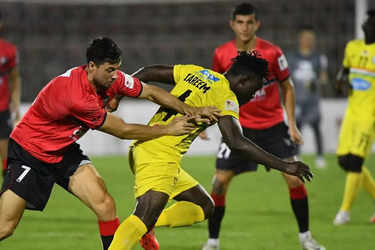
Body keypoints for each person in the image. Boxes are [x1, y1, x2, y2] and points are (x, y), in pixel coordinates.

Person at [0, 37, 221, 250]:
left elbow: (151, 92)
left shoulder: (111, 78)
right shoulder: (75, 95)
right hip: (31, 151)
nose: (115, 76)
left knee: (105, 205)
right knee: (6, 227)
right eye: (110, 70)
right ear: (91, 66)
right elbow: (122, 130)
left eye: (117, 68)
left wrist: (191, 111)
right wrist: (167, 130)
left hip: (63, 150)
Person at [108, 51, 313, 250]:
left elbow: (149, 71)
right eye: (253, 90)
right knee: (141, 217)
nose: (251, 97)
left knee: (205, 207)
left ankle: (151, 224)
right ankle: (146, 224)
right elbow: (236, 142)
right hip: (159, 156)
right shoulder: (226, 96)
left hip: (149, 148)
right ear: (243, 80)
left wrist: (118, 94)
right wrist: (285, 166)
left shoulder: (198, 73)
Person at [201, 3, 325, 250]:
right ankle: (212, 242)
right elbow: (214, 88)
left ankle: (306, 238)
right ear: (232, 24)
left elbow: (287, 86)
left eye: (249, 22)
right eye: (240, 22)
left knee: (294, 179)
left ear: (257, 24)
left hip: (272, 127)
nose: (245, 27)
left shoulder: (273, 53)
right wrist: (204, 120)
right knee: (219, 182)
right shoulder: (221, 54)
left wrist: (292, 124)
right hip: (238, 128)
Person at [333, 9, 375, 226]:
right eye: (368, 19)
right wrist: (341, 82)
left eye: (372, 21)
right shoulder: (353, 47)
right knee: (344, 161)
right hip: (352, 112)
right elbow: (344, 72)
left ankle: (344, 211)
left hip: (370, 116)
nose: (367, 23)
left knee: (356, 162)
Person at [287, 25, 329, 168]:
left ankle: (320, 156)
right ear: (300, 39)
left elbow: (324, 78)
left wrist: (317, 82)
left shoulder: (319, 58)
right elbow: (286, 79)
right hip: (297, 100)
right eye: (306, 38)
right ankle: (296, 155)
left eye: (311, 38)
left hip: (312, 101)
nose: (308, 41)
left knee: (316, 128)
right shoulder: (292, 58)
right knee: (296, 128)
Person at [0, 10, 21, 177]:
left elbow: (14, 78)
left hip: (2, 106)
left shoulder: (8, 50)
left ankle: (8, 179)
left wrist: (15, 102)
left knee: (5, 144)